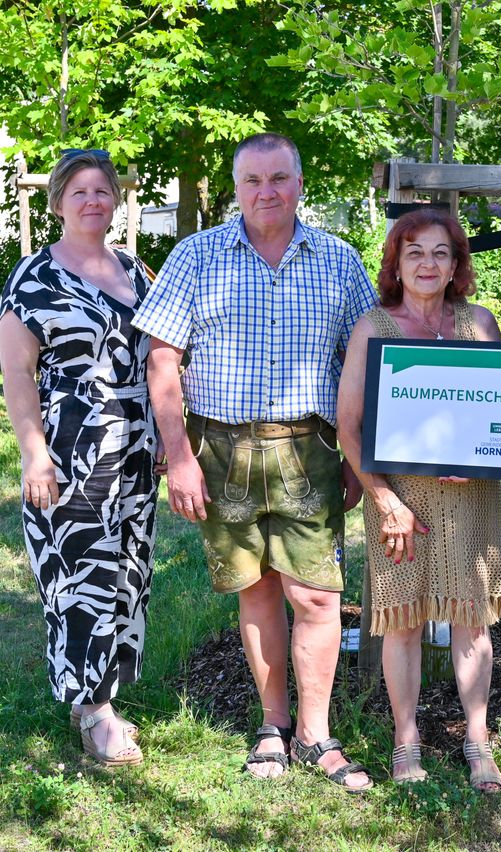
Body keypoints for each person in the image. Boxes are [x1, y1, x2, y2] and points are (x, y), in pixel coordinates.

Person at [132, 133, 376, 790]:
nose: (266, 192)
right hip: (220, 449)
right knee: (258, 588)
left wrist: (359, 457)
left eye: (278, 178)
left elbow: (366, 361)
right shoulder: (196, 256)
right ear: (237, 186)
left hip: (311, 448)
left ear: (300, 183)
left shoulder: (338, 260)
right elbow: (162, 361)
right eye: (252, 180)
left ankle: (316, 736)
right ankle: (274, 727)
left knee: (316, 595)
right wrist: (178, 457)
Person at [337, 208, 501, 792]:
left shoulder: (480, 324)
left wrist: (481, 459)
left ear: (457, 264)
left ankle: (478, 740)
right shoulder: (372, 328)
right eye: (414, 252)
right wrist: (385, 499)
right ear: (396, 263)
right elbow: (350, 427)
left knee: (472, 618)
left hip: (471, 499)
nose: (427, 264)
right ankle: (405, 740)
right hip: (399, 500)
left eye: (440, 252)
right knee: (404, 621)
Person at [0, 149, 163, 766]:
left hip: (136, 447)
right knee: (81, 575)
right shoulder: (33, 276)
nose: (93, 201)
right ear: (57, 203)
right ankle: (95, 712)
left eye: (102, 190)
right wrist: (34, 455)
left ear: (115, 199)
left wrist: (165, 437)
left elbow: (159, 357)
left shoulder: (135, 269)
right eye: (79, 192)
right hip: (71, 448)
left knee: (128, 570)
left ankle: (97, 695)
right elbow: (17, 373)